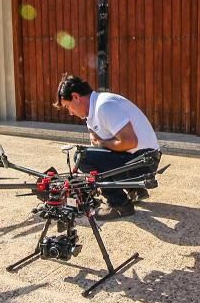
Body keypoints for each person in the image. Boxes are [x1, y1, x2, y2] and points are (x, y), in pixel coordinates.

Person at [55, 74, 160, 220]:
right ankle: (134, 188)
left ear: (76, 97)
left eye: (68, 107)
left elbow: (130, 142)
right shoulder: (93, 111)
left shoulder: (104, 106)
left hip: (144, 162)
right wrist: (99, 144)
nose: (70, 112)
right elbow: (96, 143)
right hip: (139, 158)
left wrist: (102, 143)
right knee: (88, 153)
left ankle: (120, 204)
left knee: (82, 157)